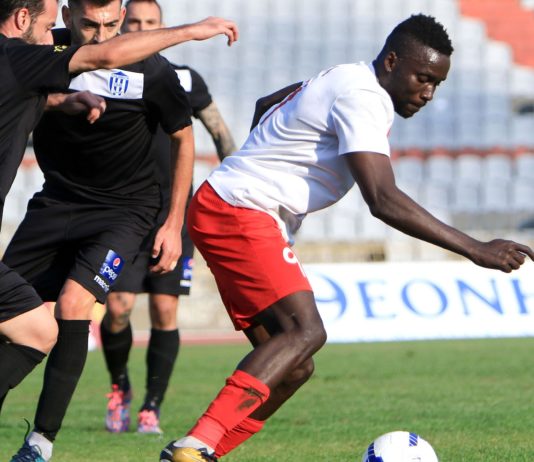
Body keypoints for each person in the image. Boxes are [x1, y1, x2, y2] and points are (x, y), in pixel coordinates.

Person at [159, 14, 534, 462]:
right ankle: (198, 444)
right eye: (423, 78)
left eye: (437, 83)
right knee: (305, 331)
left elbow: (266, 102)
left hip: (231, 205)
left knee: (294, 366)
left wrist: (261, 158)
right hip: (241, 209)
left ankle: (199, 454)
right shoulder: (363, 96)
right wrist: (475, 248)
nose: (428, 93)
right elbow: (383, 199)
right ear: (392, 61)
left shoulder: (345, 77)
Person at [2, 1, 238, 461]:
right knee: (9, 317)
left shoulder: (153, 69)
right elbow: (31, 93)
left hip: (124, 211)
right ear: (67, 17)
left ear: (122, 16)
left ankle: (40, 444)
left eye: (111, 24)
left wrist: (174, 222)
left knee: (75, 304)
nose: (101, 34)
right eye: (89, 24)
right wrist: (64, 102)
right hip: (56, 203)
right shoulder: (47, 52)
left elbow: (183, 138)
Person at [100, 0, 237, 436]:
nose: (142, 29)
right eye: (135, 22)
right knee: (118, 308)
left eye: (151, 23)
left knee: (164, 308)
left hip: (172, 212)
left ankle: (151, 407)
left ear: (163, 27)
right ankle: (119, 386)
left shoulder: (184, 78)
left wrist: (237, 181)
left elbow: (218, 131)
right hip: (121, 210)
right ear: (122, 24)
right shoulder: (103, 73)